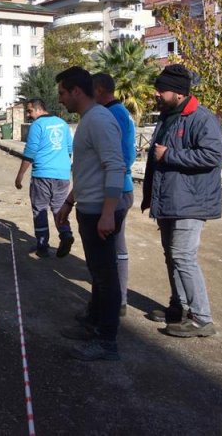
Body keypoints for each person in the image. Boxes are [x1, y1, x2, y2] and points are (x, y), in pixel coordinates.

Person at [141, 64, 222, 338]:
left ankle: (202, 318)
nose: (156, 93)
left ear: (178, 92)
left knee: (183, 257)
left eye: (161, 89)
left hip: (191, 201)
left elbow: (212, 156)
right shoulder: (168, 116)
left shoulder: (201, 118)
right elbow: (156, 158)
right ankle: (179, 307)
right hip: (169, 200)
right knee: (171, 257)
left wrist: (170, 156)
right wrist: (149, 196)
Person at [54, 66, 126, 361]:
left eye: (62, 93)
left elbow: (115, 166)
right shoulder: (88, 120)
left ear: (77, 92)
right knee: (98, 273)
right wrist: (69, 202)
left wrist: (108, 213)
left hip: (101, 212)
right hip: (90, 207)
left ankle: (107, 341)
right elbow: (87, 172)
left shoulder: (99, 121)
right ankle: (93, 323)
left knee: (106, 277)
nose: (59, 99)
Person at [91, 73, 136, 317]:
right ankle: (117, 300)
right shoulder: (121, 112)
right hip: (121, 187)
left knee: (108, 250)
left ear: (98, 90)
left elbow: (121, 158)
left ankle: (113, 302)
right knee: (116, 247)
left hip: (115, 189)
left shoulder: (112, 114)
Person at [14, 98, 74, 258]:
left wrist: (20, 175)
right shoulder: (62, 123)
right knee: (59, 208)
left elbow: (30, 152)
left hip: (42, 174)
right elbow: (69, 149)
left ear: (39, 109)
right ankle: (66, 233)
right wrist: (62, 166)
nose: (28, 115)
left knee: (39, 209)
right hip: (62, 174)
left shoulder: (37, 125)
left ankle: (42, 246)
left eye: (29, 111)